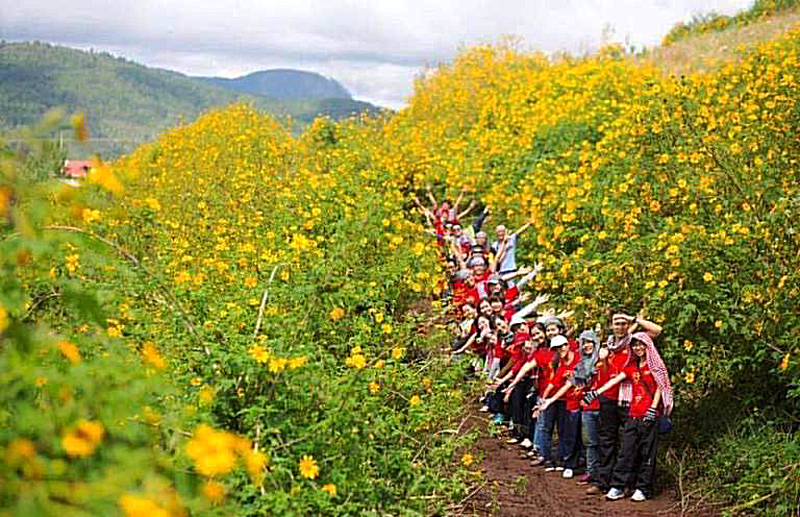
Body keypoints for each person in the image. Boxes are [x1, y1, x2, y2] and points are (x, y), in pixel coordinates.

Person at [583, 310, 663, 496]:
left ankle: (632, 484)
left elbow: (657, 330)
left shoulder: (636, 342)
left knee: (634, 444)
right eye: (616, 323)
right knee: (608, 441)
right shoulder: (606, 347)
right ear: (611, 326)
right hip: (609, 398)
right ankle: (605, 481)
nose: (620, 326)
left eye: (623, 323)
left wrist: (634, 319)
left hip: (632, 400)